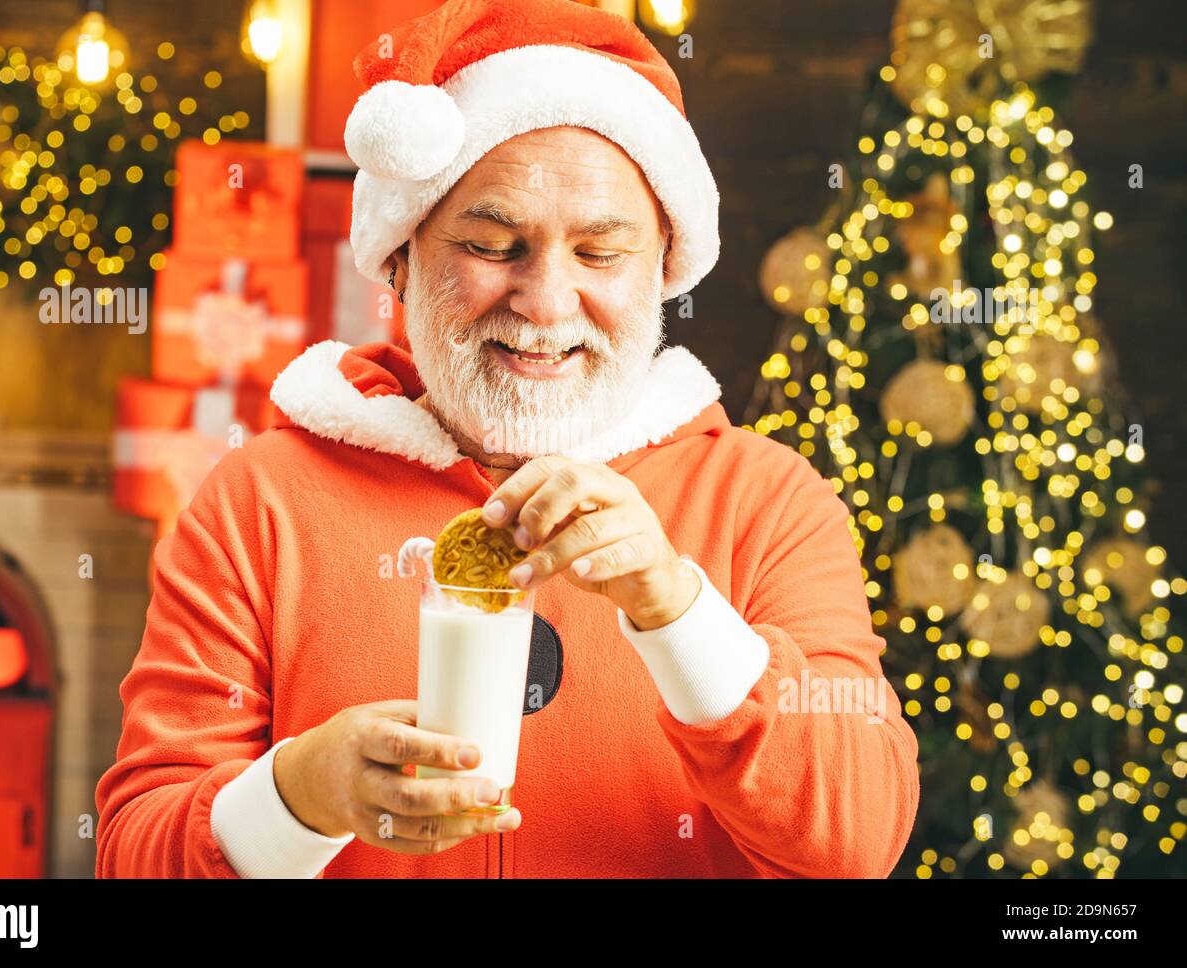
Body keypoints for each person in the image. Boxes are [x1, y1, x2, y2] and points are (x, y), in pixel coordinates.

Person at [95, 0, 919, 878]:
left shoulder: (769, 504)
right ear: (401, 258)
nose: (547, 302)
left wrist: (677, 607)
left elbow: (856, 839)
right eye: (493, 245)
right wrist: (295, 798)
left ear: (663, 265)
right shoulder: (257, 505)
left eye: (601, 254)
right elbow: (134, 853)